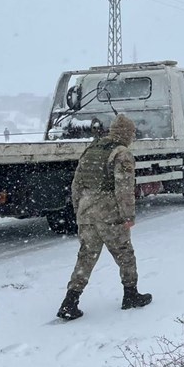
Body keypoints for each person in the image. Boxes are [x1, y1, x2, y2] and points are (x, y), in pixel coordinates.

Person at [56, 114, 151, 321]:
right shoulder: (122, 153)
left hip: (86, 209)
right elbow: (123, 188)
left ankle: (70, 301)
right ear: (127, 134)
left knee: (86, 256)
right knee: (125, 253)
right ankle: (131, 294)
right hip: (108, 211)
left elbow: (77, 182)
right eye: (132, 133)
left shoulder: (92, 149)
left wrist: (78, 207)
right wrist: (128, 215)